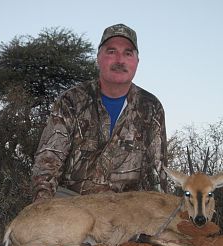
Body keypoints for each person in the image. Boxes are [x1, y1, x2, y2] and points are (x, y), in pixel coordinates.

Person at [32, 23, 168, 202]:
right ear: (98, 58)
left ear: (137, 61)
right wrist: (43, 208)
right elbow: (48, 162)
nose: (120, 60)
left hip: (125, 211)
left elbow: (157, 174)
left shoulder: (151, 107)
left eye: (128, 53)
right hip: (73, 204)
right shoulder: (71, 100)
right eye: (111, 52)